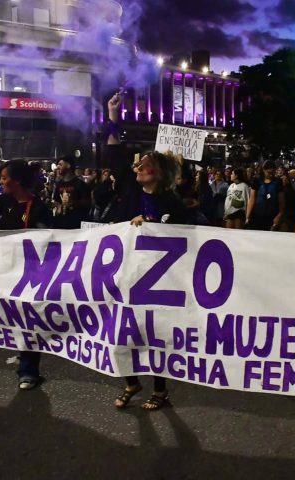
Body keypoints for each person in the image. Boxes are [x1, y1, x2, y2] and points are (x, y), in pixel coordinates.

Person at [106, 91, 186, 411]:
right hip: (125, 270)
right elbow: (114, 155)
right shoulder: (129, 188)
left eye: (146, 165)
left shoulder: (172, 203)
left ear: (159, 173)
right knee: (120, 329)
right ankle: (131, 382)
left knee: (154, 334)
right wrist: (113, 117)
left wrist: (152, 223)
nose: (138, 167)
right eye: (138, 164)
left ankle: (160, 391)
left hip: (157, 281)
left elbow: (183, 233)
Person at [0, 160, 53, 390]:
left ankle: (28, 371)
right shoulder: (2, 201)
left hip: (26, 274)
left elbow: (47, 241)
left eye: (4, 178)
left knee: (26, 320)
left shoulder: (39, 208)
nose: (0, 182)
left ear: (17, 181)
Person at [52, 155, 91, 229]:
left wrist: (73, 203)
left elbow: (88, 203)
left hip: (76, 225)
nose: (57, 167)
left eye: (60, 164)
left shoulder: (80, 184)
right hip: (61, 224)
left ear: (68, 165)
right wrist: (58, 206)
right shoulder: (58, 184)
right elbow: (56, 201)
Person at [246, 160, 285, 231]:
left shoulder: (278, 182)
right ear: (263, 170)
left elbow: (281, 201)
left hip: (272, 216)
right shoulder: (257, 181)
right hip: (257, 216)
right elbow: (252, 199)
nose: (271, 175)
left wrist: (280, 214)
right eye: (269, 172)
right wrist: (247, 217)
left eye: (273, 172)